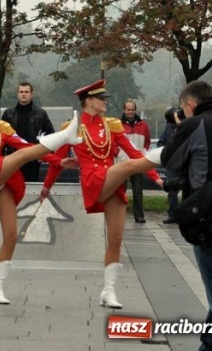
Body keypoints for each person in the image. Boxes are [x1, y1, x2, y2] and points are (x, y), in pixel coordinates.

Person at [101, 80, 212, 351]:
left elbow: (170, 159)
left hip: (210, 223)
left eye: (183, 109)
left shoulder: (194, 126)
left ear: (191, 105)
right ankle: (209, 346)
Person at [40, 79, 163, 309]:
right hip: (93, 180)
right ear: (88, 102)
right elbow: (57, 160)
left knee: (116, 238)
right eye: (101, 99)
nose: (106, 102)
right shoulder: (73, 126)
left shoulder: (113, 125)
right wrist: (47, 186)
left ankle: (108, 291)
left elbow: (133, 152)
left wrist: (155, 178)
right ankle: (166, 152)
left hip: (112, 181)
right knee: (125, 168)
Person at [0, 86, 80, 304]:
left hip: (2, 176)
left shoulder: (2, 127)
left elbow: (27, 145)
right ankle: (65, 136)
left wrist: (59, 162)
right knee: (21, 156)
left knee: (12, 235)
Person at [0, 82, 55, 182]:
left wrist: (47, 155)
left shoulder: (41, 113)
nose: (24, 94)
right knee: (13, 186)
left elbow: (50, 135)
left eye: (26, 92)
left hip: (32, 157)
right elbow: (2, 136)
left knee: (32, 187)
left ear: (31, 94)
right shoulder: (8, 113)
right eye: (21, 92)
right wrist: (0, 157)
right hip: (13, 157)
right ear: (17, 94)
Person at [120, 100, 151, 223]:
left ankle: (139, 215)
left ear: (135, 110)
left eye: (132, 109)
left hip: (138, 163)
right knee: (120, 191)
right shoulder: (118, 125)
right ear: (124, 110)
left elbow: (147, 141)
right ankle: (119, 214)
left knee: (138, 191)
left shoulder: (143, 125)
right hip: (122, 163)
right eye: (128, 109)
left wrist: (144, 152)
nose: (130, 112)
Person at [158, 107, 182, 224]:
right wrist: (167, 152)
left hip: (185, 164)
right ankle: (173, 215)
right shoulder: (168, 129)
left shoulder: (187, 126)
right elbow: (160, 143)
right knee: (172, 191)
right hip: (172, 164)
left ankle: (188, 214)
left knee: (190, 190)